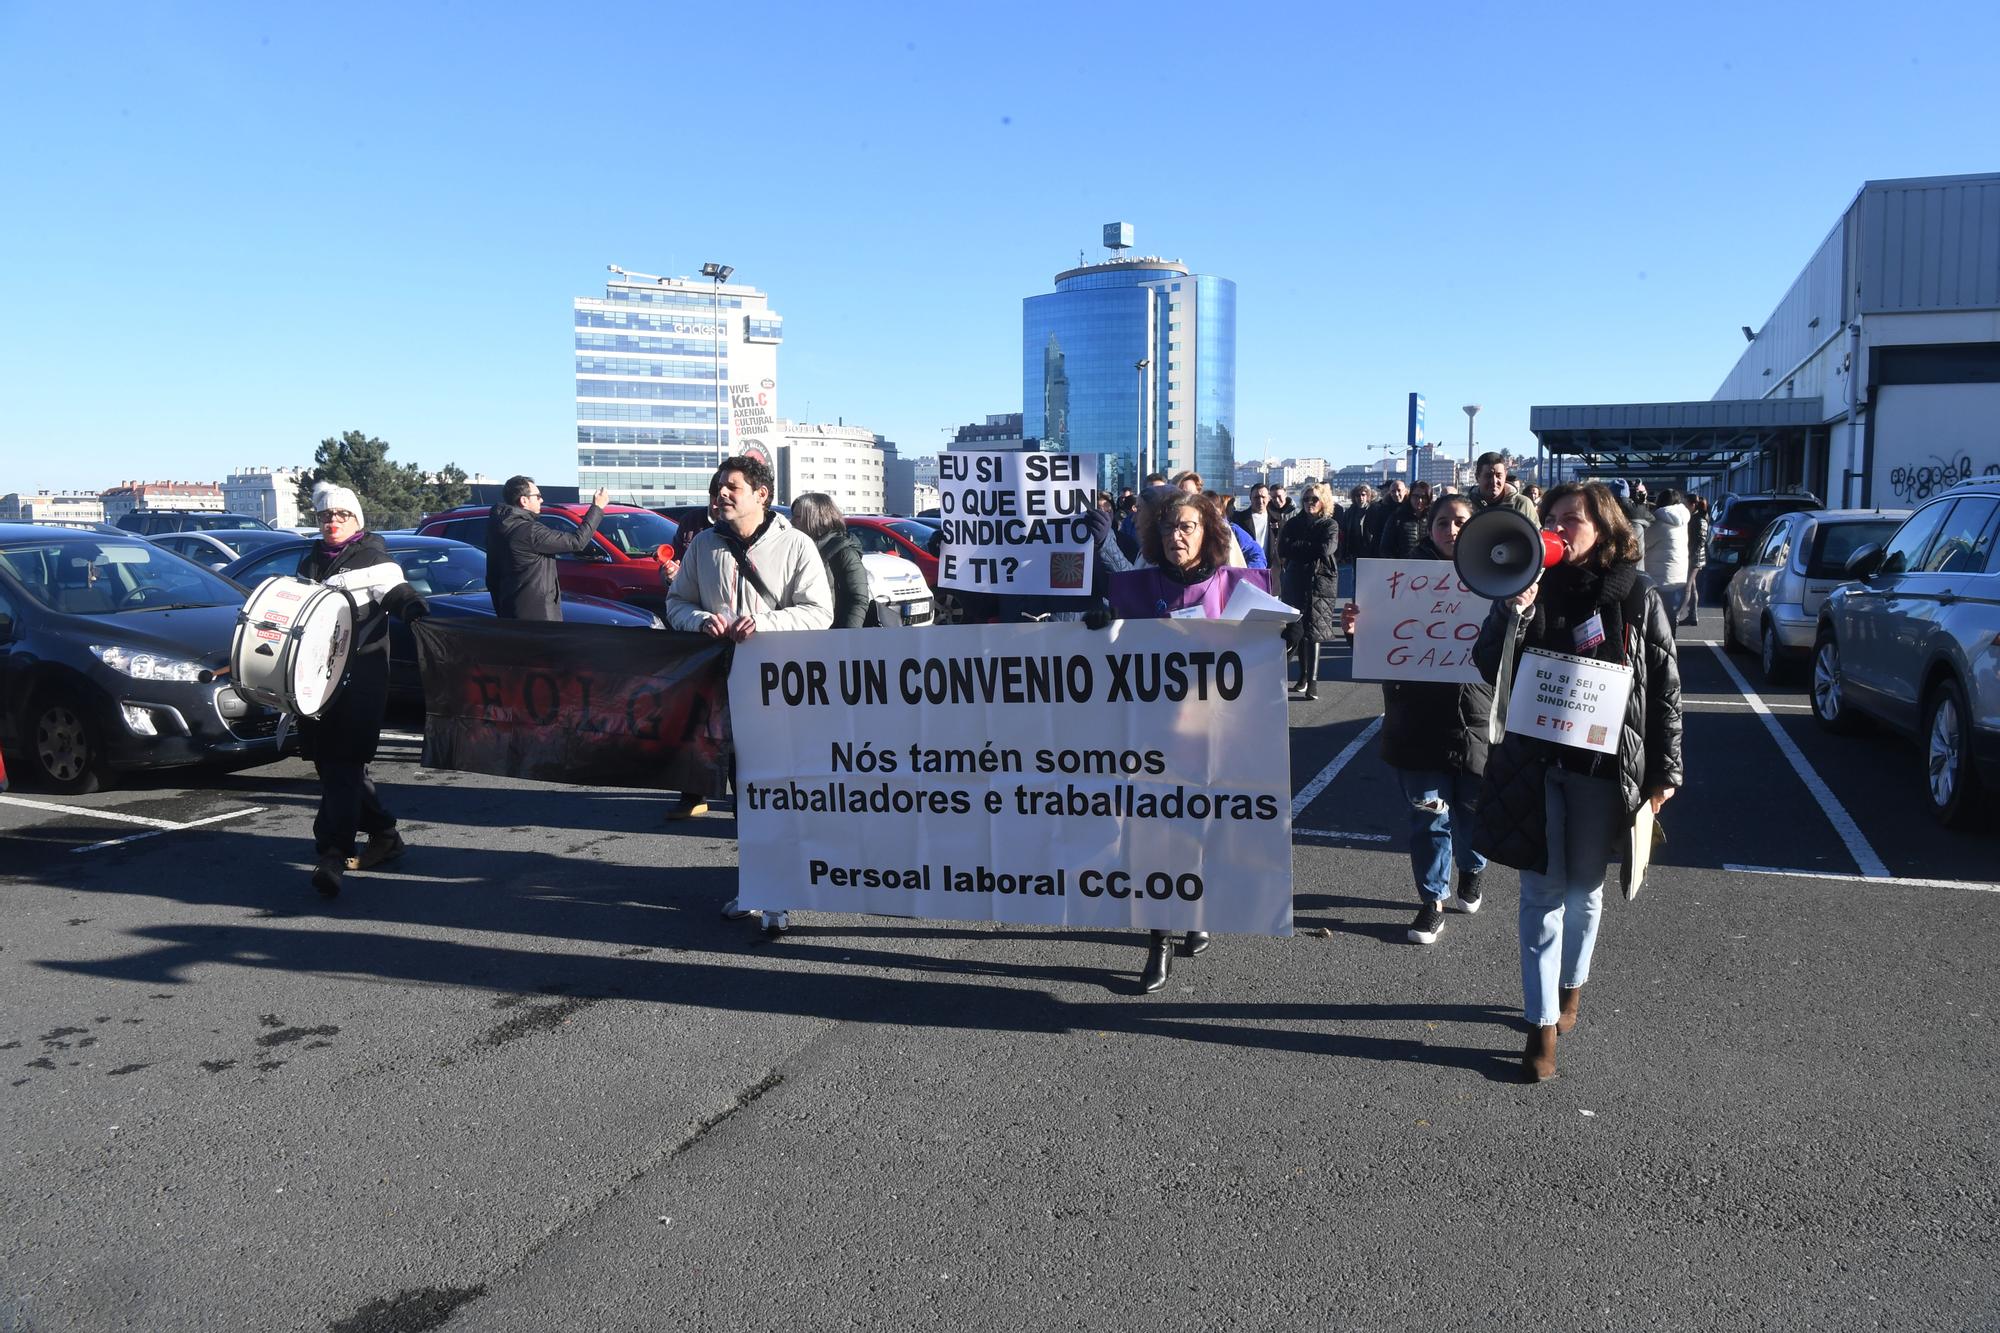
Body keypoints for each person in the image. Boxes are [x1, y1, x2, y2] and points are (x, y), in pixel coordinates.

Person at [1472, 481, 1684, 1082]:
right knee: (1541, 894)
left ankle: (1571, 989)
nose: (1559, 529)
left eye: (1572, 519)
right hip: (1538, 765)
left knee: (1584, 891)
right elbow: (1489, 665)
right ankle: (1541, 1031)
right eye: (1552, 518)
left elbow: (1664, 685)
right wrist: (1513, 609)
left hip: (1603, 770)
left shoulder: (1636, 596)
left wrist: (1665, 770)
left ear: (1606, 527)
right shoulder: (1526, 588)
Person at [1098, 491, 1270, 992]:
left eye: (1188, 527)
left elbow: (1268, 648)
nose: (1177, 535)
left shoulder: (1235, 587)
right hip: (1152, 735)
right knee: (1156, 836)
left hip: (1214, 733)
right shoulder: (1135, 588)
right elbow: (1114, 645)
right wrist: (1096, 627)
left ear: (1208, 534)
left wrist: (1284, 633)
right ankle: (1160, 943)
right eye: (1170, 526)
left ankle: (1195, 911)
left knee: (1202, 831)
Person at [663, 456, 835, 936]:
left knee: (782, 789)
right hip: (723, 690)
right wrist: (701, 621)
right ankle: (757, 884)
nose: (720, 493)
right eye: (718, 485)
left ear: (760, 493)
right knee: (746, 793)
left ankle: (786, 890)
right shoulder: (703, 546)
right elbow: (677, 603)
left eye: (731, 486)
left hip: (784, 693)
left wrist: (765, 625)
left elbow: (820, 612)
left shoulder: (796, 544)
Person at [1344, 496, 1490, 943]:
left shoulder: (1497, 575)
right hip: (1416, 719)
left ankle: (1472, 868)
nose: (1451, 530)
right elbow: (1377, 651)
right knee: (1429, 814)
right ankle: (1431, 900)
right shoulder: (1400, 579)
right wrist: (1358, 629)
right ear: (1429, 528)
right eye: (1443, 522)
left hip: (1476, 717)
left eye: (1461, 522)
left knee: (1471, 812)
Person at [295, 483, 432, 898]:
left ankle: (333, 854)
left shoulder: (374, 558)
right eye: (325, 516)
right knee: (333, 765)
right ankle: (385, 834)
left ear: (357, 521)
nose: (332, 522)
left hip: (360, 679)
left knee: (343, 764)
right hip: (315, 681)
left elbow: (394, 592)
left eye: (341, 516)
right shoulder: (311, 561)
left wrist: (414, 610)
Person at [487, 476, 611, 621]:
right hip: (539, 615)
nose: (542, 500)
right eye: (537, 496)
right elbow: (577, 541)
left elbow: (492, 578)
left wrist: (501, 610)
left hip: (511, 610)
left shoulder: (498, 529)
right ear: (524, 501)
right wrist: (597, 508)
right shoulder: (530, 531)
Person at [1279, 483, 1340, 701]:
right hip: (1295, 580)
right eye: (1305, 499)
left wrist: (1300, 547)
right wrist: (1309, 547)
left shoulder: (1330, 524)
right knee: (1294, 631)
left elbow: (1326, 549)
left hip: (1320, 582)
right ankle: (1300, 677)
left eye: (1314, 499)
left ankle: (1311, 681)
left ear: (1323, 501)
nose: (1309, 503)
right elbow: (1283, 548)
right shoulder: (1293, 523)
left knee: (1314, 632)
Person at [789, 492, 869, 629]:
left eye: (797, 517)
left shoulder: (844, 552)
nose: (791, 522)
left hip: (833, 635)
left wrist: (846, 637)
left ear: (815, 518)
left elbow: (857, 599)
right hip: (801, 632)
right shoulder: (797, 548)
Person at [1642, 487, 1692, 630]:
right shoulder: (1683, 521)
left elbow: (1643, 542)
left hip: (1660, 578)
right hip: (1678, 577)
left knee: (1658, 620)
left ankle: (1662, 648)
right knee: (1671, 616)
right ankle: (1672, 647)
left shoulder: (1660, 522)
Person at [1470, 452, 1540, 526]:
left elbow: (1536, 535)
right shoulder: (1467, 506)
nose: (1494, 481)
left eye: (1498, 475)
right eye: (1488, 476)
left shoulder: (1522, 505)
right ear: (1477, 477)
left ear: (1505, 475)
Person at [1378, 480, 1433, 559]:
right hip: (1403, 567)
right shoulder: (1397, 517)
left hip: (1430, 566)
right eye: (1416, 496)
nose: (1419, 500)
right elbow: (1385, 548)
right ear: (1410, 496)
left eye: (1423, 497)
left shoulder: (1434, 518)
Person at [1682, 496, 1710, 626]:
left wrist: (1691, 554)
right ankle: (1693, 615)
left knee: (1687, 586)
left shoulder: (1699, 519)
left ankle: (1678, 613)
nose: (1684, 505)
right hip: (1694, 556)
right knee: (1692, 586)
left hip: (1695, 558)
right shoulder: (1695, 517)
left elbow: (1700, 541)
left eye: (1686, 503)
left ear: (1693, 504)